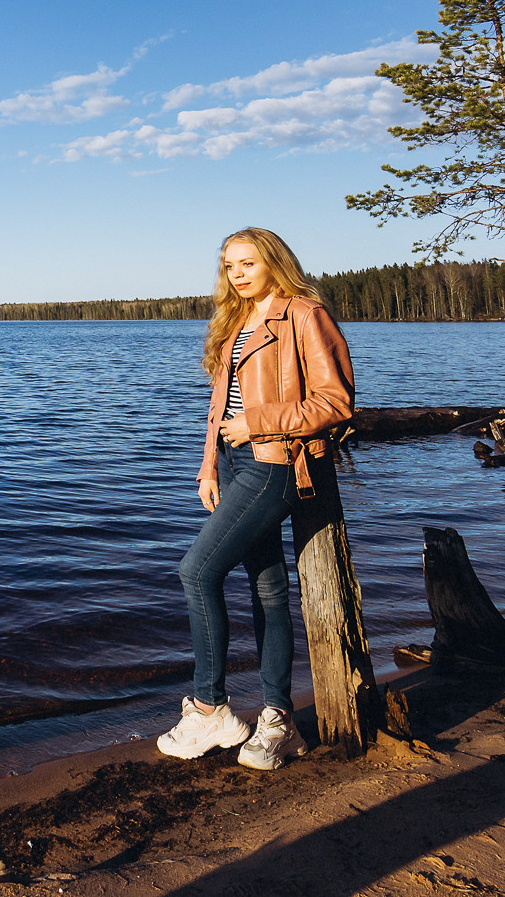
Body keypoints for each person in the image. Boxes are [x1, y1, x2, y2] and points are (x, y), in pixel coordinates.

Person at [155, 227, 352, 770]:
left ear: (274, 262)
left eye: (247, 263)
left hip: (276, 463)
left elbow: (335, 401)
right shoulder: (236, 320)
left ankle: (210, 709)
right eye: (229, 265)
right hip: (236, 460)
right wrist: (209, 464)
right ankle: (278, 720)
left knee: (197, 571)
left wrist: (259, 422)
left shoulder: (304, 315)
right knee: (268, 590)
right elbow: (221, 407)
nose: (237, 274)